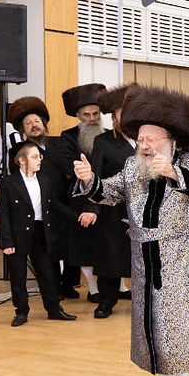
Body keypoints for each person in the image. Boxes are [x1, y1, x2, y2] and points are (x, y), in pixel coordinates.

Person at [72, 86, 189, 376]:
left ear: (172, 141)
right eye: (140, 139)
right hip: (144, 257)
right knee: (153, 321)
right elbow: (109, 192)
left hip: (183, 257)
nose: (145, 144)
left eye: (152, 138)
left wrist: (175, 173)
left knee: (172, 321)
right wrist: (90, 179)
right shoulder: (132, 166)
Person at [0, 141, 78, 326]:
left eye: (39, 156)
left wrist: (76, 216)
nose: (39, 160)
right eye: (34, 157)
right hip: (17, 236)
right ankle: (21, 311)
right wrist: (7, 241)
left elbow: (55, 204)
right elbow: (3, 214)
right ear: (21, 160)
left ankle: (53, 309)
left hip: (41, 232)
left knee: (47, 273)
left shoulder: (44, 180)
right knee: (18, 276)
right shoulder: (9, 183)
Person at [89, 83, 138, 319]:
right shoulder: (103, 141)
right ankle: (106, 301)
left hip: (143, 210)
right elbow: (95, 177)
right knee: (111, 255)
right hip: (113, 210)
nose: (125, 117)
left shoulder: (149, 139)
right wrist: (92, 208)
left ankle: (147, 301)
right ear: (114, 117)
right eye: (120, 113)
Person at [59, 83, 108, 304]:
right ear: (78, 116)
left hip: (108, 196)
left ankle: (119, 286)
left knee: (111, 245)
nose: (92, 118)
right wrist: (90, 173)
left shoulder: (108, 135)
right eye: (86, 115)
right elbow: (69, 165)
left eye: (95, 114)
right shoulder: (68, 137)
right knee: (85, 247)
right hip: (80, 200)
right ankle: (93, 289)